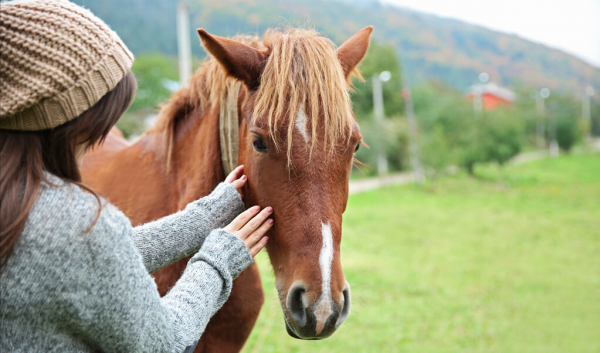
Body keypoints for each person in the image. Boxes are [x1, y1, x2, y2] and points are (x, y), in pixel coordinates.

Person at [0, 0, 271, 352]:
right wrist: (218, 260)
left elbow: (86, 260)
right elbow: (162, 343)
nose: (107, 129)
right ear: (69, 118)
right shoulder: (78, 221)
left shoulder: (23, 207)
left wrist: (203, 219)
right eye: (103, 113)